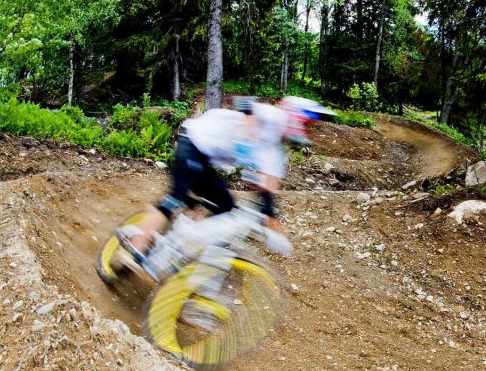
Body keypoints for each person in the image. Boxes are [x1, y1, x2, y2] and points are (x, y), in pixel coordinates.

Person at [118, 95, 329, 262]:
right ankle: (137, 242)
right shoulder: (276, 117)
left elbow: (268, 194)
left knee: (226, 208)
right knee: (176, 197)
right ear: (297, 117)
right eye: (306, 124)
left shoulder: (275, 153)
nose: (305, 131)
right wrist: (247, 138)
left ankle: (185, 241)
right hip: (193, 141)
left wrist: (272, 229)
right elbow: (245, 103)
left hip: (205, 159)